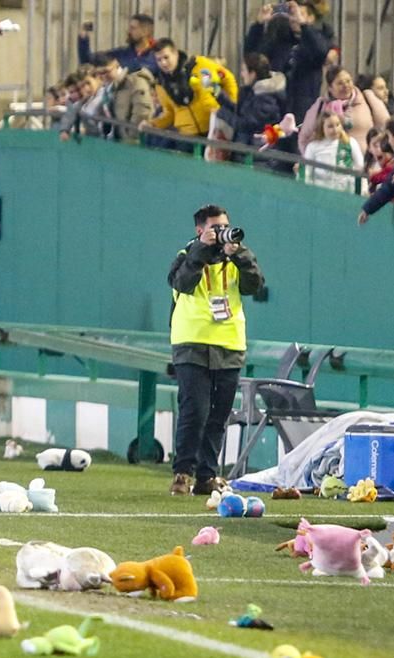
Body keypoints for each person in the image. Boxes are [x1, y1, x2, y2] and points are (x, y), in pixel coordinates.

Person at [167, 205, 264, 496]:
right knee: (194, 411)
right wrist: (201, 249)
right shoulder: (186, 256)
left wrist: (240, 254)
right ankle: (183, 472)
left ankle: (207, 475)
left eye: (225, 226)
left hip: (229, 343)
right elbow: (181, 282)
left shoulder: (235, 258)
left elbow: (255, 285)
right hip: (192, 342)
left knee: (219, 414)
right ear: (201, 230)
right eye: (215, 228)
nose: (222, 232)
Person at [141, 38, 238, 150]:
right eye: (159, 60)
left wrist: (231, 105)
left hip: (213, 132)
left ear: (175, 53)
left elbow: (228, 79)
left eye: (166, 57)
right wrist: (153, 124)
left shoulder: (200, 64)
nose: (163, 63)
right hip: (187, 138)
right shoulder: (161, 85)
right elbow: (169, 114)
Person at [243, 2, 331, 121]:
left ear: (311, 18)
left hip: (302, 110)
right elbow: (253, 56)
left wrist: (304, 25)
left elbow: (320, 53)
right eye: (292, 15)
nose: (294, 18)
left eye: (300, 14)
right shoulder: (280, 39)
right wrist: (258, 25)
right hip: (276, 108)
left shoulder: (316, 40)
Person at [299, 66, 388, 155]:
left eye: (348, 81)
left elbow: (387, 127)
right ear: (330, 87)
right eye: (340, 83)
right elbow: (304, 138)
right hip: (331, 165)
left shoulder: (367, 98)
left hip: (364, 163)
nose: (346, 86)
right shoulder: (320, 105)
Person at [227, 52, 287, 150]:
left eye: (243, 70)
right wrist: (219, 96)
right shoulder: (252, 91)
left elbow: (246, 124)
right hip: (247, 148)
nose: (241, 74)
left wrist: (222, 113)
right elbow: (240, 110)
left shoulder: (266, 99)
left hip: (257, 154)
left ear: (253, 74)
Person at [90, 52, 154, 142]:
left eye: (106, 72)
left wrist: (130, 139)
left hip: (133, 143)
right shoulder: (109, 87)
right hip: (117, 141)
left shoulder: (135, 81)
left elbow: (142, 112)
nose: (103, 76)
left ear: (116, 64)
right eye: (99, 73)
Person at [301, 109, 365, 193]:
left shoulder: (350, 143)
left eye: (337, 125)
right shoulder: (313, 147)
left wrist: (363, 190)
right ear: (322, 128)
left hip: (346, 193)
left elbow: (360, 167)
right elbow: (307, 172)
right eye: (330, 126)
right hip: (321, 193)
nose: (335, 130)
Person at [77, 13, 157, 76]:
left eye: (133, 28)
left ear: (145, 31)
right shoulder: (120, 54)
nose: (128, 31)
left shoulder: (158, 56)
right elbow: (88, 61)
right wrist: (83, 37)